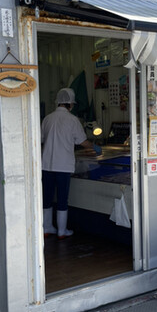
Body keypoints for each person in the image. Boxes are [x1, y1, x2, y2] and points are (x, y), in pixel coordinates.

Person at [41, 87, 102, 239]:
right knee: (62, 198)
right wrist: (95, 147)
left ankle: (46, 228)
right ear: (70, 104)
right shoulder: (72, 120)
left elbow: (41, 139)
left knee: (46, 197)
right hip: (63, 165)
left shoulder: (47, 119)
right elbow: (82, 142)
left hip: (46, 164)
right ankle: (62, 231)